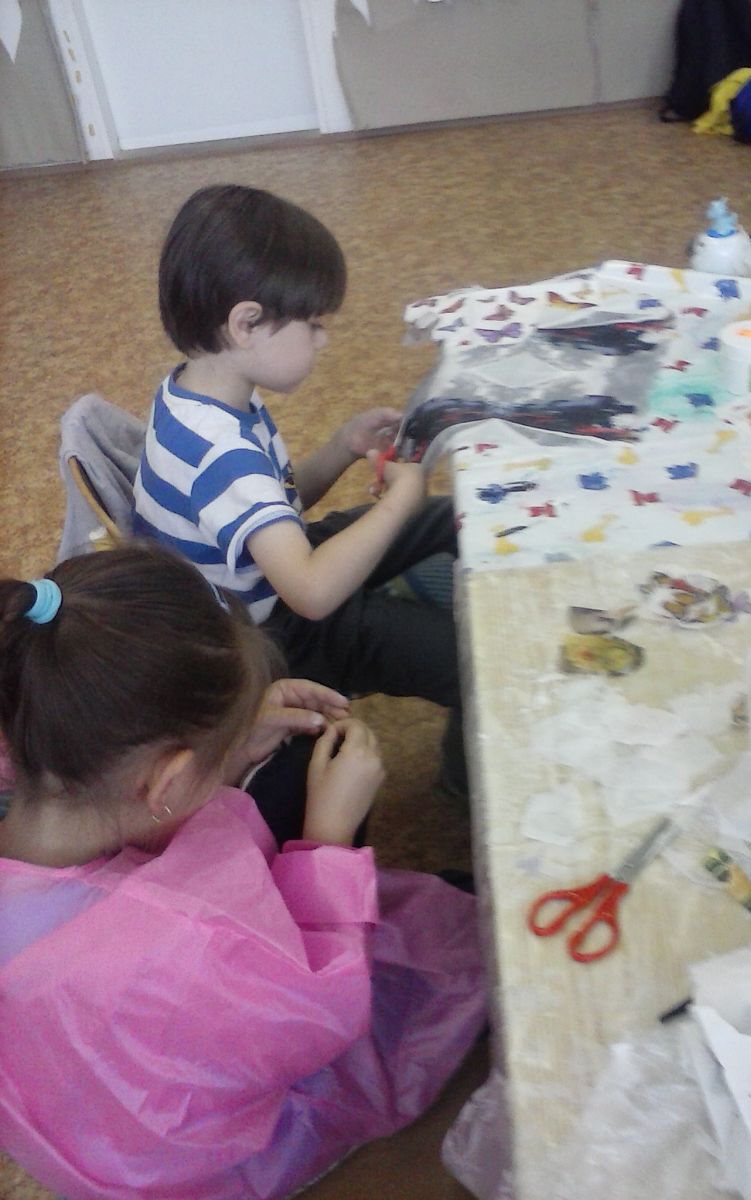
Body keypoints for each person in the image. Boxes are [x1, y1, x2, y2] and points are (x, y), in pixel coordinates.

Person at [0, 543, 485, 1200]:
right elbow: (316, 1017)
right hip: (184, 1157)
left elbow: (130, 805)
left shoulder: (35, 752)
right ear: (165, 779)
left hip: (77, 1112)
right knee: (462, 936)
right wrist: (329, 838)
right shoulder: (175, 947)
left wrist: (221, 746)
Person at [131, 184, 466, 834]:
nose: (323, 340)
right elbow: (311, 593)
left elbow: (276, 507)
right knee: (465, 659)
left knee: (439, 517)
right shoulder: (223, 453)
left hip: (271, 582)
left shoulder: (198, 392)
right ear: (246, 323)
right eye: (313, 324)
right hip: (267, 640)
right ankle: (465, 770)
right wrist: (399, 500)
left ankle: (444, 582)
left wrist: (341, 447)